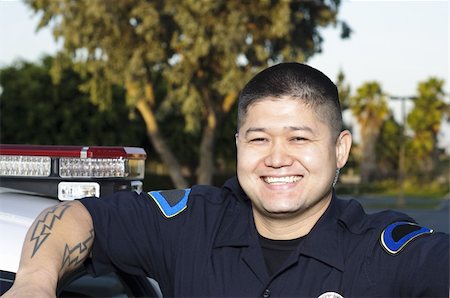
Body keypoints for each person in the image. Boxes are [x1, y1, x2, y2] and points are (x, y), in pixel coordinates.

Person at [4, 63, 449, 297]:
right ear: (238, 145)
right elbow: (77, 216)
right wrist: (33, 284)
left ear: (340, 150)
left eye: (299, 137)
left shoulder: (385, 253)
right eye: (259, 138)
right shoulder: (190, 225)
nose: (277, 158)